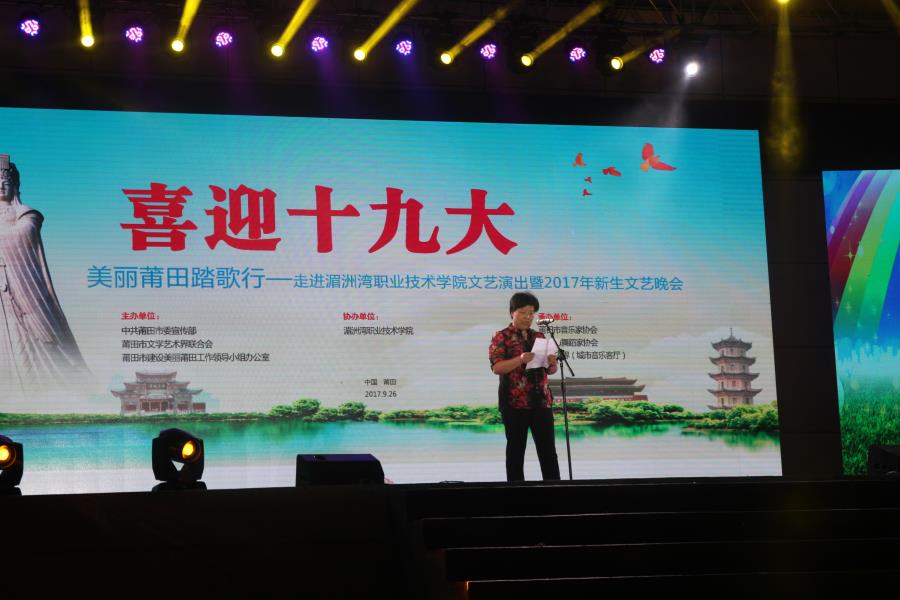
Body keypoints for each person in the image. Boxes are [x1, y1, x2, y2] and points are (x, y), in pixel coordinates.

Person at [0, 154, 90, 395]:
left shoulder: (26, 214)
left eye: (5, 181)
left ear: (15, 186)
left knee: (33, 338)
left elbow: (23, 236)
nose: (0, 186)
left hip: (22, 289)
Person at [489, 291, 561, 481]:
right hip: (514, 403)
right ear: (512, 312)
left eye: (531, 313)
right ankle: (516, 492)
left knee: (548, 452)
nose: (527, 317)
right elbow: (497, 368)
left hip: (541, 402)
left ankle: (556, 490)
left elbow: (549, 371)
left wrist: (552, 364)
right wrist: (520, 359)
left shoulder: (539, 336)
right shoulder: (501, 336)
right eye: (522, 312)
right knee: (516, 452)